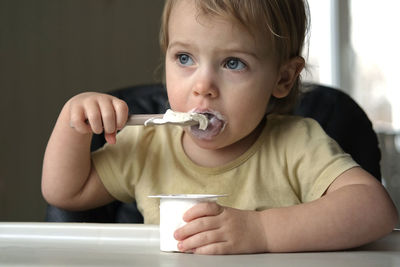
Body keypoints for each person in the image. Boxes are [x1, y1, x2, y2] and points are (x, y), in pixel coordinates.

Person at [42, 0, 398, 254]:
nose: (203, 86)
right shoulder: (149, 145)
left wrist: (262, 232)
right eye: (184, 58)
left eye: (233, 63)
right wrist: (72, 122)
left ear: (283, 78)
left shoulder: (297, 144)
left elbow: (375, 211)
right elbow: (66, 193)